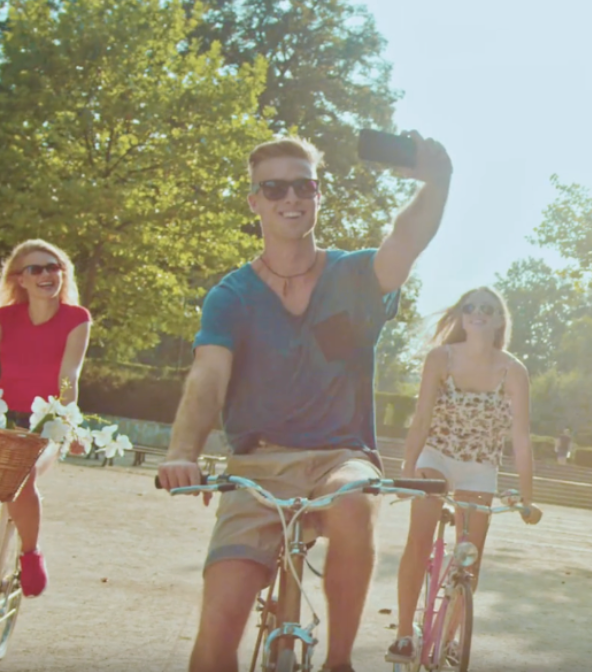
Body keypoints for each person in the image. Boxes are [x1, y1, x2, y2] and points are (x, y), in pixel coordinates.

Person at [157, 132, 452, 672]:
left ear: (319, 196)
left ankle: (339, 661)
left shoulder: (357, 275)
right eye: (274, 188)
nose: (289, 197)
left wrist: (438, 181)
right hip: (257, 464)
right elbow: (207, 377)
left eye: (303, 186)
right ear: (255, 202)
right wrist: (182, 451)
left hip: (341, 455)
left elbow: (407, 238)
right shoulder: (232, 295)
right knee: (216, 634)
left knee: (353, 498)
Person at [387, 286, 536, 665]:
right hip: (437, 456)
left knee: (469, 559)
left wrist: (527, 496)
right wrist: (407, 470)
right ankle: (405, 634)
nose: (478, 312)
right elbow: (421, 418)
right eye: (471, 307)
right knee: (418, 541)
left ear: (500, 319)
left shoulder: (513, 371)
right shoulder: (441, 358)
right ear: (462, 315)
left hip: (480, 467)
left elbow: (521, 437)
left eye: (487, 308)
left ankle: (449, 639)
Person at [0, 239, 92, 598]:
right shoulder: (3, 318)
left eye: (53, 266)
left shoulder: (76, 318)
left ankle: (30, 554)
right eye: (36, 268)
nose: (47, 274)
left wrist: (68, 422)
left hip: (44, 424)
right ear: (21, 279)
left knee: (21, 476)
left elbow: (68, 376)